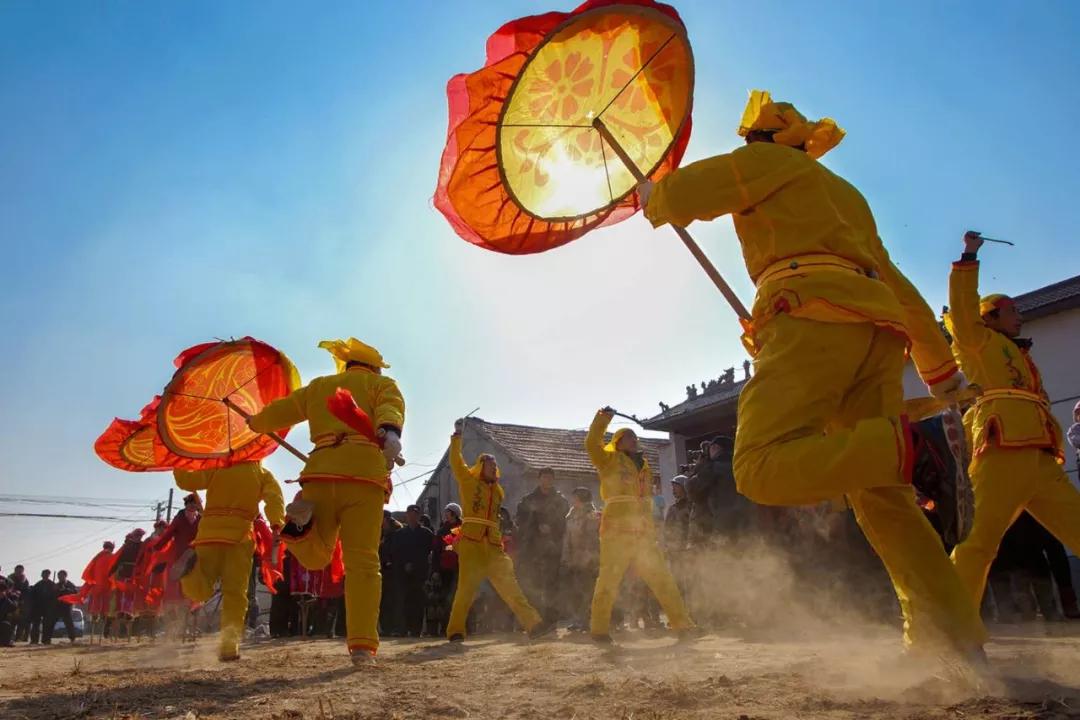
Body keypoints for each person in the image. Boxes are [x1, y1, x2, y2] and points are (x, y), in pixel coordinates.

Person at [637, 90, 985, 659]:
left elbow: (692, 192)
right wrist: (939, 368)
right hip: (878, 330)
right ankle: (953, 641)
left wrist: (654, 197)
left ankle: (896, 447)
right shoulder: (845, 195)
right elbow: (894, 278)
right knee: (886, 503)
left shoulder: (765, 162)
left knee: (756, 466)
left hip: (810, 316)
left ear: (762, 139)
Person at [948, 232, 1080, 620]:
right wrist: (969, 257)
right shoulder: (977, 341)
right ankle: (947, 628)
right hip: (1001, 451)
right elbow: (961, 308)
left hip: (1040, 459)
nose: (1019, 315)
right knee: (979, 545)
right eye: (1012, 310)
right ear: (989, 318)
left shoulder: (1019, 354)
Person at [249, 337, 404, 667]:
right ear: (373, 367)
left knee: (317, 556)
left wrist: (257, 421)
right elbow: (390, 409)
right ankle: (362, 647)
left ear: (347, 365)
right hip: (363, 477)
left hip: (319, 472)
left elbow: (284, 409)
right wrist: (390, 432)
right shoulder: (382, 383)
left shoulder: (320, 386)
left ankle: (302, 527)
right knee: (362, 564)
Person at [585, 408, 693, 643]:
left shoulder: (644, 466)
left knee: (662, 578)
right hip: (616, 531)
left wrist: (652, 530)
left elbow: (646, 503)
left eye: (636, 436)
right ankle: (599, 630)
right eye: (630, 436)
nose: (635, 439)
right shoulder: (608, 459)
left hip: (642, 532)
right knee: (608, 580)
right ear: (618, 441)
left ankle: (683, 625)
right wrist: (603, 418)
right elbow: (592, 442)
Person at [445, 419, 552, 642]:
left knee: (511, 588)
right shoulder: (468, 481)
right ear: (480, 466)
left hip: (494, 545)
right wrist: (457, 436)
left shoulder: (500, 491)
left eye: (495, 465)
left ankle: (534, 625)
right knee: (466, 591)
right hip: (471, 543)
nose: (494, 468)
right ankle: (455, 630)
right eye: (490, 465)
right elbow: (456, 461)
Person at [171, 461, 285, 661]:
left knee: (200, 588)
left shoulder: (218, 466)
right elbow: (274, 499)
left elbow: (186, 480)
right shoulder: (262, 473)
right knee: (235, 594)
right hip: (239, 538)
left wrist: (178, 460)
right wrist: (276, 524)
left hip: (209, 534)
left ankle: (190, 574)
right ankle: (229, 647)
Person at [515, 468, 569, 624]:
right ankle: (534, 619)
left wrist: (553, 529)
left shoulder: (560, 500)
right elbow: (520, 520)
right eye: (545, 477)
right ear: (539, 479)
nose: (547, 480)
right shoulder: (528, 500)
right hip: (532, 549)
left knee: (552, 584)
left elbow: (566, 522)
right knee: (533, 583)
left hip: (553, 548)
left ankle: (551, 620)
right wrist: (536, 527)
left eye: (550, 478)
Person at [390, 505, 434, 637]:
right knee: (403, 601)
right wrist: (404, 565)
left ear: (419, 516)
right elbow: (395, 553)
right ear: (407, 515)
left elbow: (430, 552)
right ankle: (403, 629)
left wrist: (419, 566)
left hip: (420, 573)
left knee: (418, 602)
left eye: (415, 514)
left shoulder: (426, 534)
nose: (412, 516)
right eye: (410, 514)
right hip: (403, 573)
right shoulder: (400, 534)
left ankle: (416, 630)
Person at [561, 487, 600, 632]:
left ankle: (589, 620)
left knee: (588, 591)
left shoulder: (591, 515)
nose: (573, 500)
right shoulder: (571, 515)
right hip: (574, 560)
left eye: (575, 497)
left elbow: (593, 539)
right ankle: (578, 619)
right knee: (576, 591)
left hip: (588, 560)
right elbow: (567, 538)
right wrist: (565, 557)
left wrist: (589, 557)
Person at [430, 503, 463, 637]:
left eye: (448, 512)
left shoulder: (464, 528)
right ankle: (446, 628)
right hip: (445, 569)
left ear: (454, 513)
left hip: (460, 568)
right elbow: (436, 552)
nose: (446, 515)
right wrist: (435, 570)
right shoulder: (442, 531)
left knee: (459, 598)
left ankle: (461, 627)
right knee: (445, 599)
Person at [28, 569, 55, 644]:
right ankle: (34, 640)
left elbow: (55, 596)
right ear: (42, 575)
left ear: (49, 575)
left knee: (47, 624)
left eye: (47, 574)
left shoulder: (52, 585)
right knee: (36, 624)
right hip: (38, 607)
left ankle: (46, 640)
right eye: (44, 574)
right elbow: (32, 595)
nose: (45, 575)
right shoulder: (38, 584)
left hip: (48, 608)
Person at [51, 570, 78, 644]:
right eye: (59, 576)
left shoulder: (70, 584)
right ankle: (46, 639)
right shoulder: (56, 585)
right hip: (57, 606)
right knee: (51, 621)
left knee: (68, 622)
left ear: (65, 576)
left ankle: (72, 638)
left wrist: (65, 590)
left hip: (67, 606)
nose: (60, 577)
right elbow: (53, 595)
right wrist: (54, 590)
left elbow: (75, 592)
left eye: (61, 576)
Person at [6, 565, 30, 643]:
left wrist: (22, 600)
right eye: (18, 571)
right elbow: (6, 589)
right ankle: (9, 637)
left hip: (21, 603)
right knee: (10, 620)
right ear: (15, 570)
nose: (19, 572)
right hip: (10, 602)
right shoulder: (9, 579)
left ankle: (18, 638)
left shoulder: (25, 580)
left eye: (21, 571)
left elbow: (26, 592)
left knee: (20, 621)